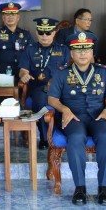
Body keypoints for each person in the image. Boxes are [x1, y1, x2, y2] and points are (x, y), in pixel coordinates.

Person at [48, 31, 106, 206]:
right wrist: (64, 109)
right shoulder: (62, 73)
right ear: (71, 53)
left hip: (98, 114)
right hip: (74, 116)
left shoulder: (102, 71)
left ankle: (104, 188)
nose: (82, 54)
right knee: (75, 138)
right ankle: (80, 187)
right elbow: (52, 99)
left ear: (92, 52)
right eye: (78, 50)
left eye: (86, 50)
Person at [19, 17, 71, 149]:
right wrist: (24, 75)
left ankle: (62, 133)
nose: (44, 36)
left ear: (54, 32)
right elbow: (23, 70)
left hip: (60, 87)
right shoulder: (29, 49)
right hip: (38, 87)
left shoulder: (64, 50)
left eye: (48, 33)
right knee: (41, 101)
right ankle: (44, 138)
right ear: (37, 33)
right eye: (41, 33)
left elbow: (70, 70)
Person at [0, 2, 33, 77]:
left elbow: (31, 53)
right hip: (1, 72)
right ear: (3, 17)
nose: (10, 17)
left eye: (13, 14)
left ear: (18, 17)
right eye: (7, 15)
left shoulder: (26, 34)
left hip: (22, 71)